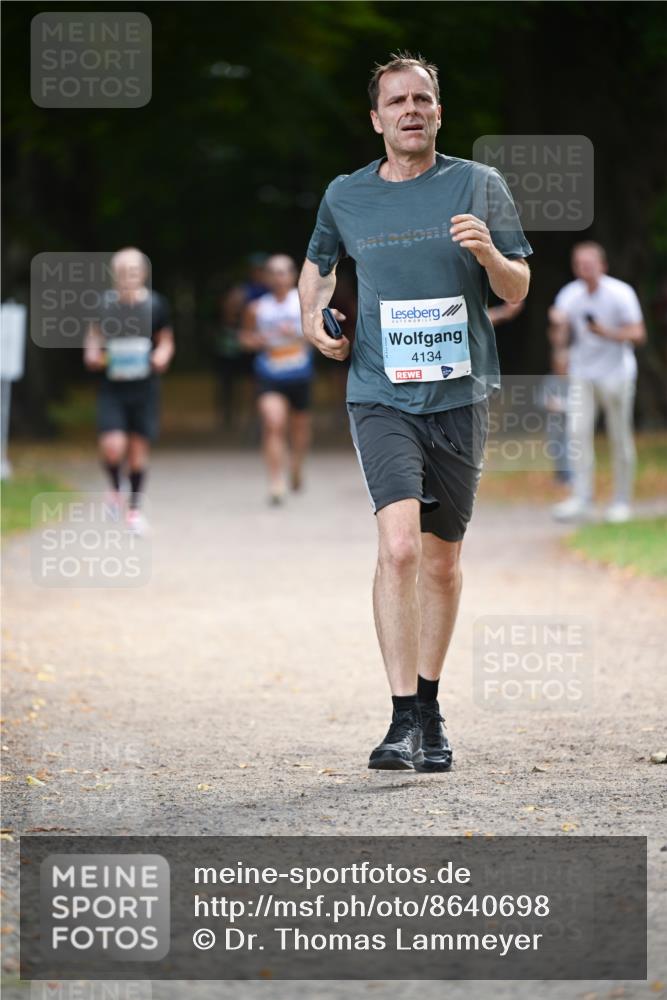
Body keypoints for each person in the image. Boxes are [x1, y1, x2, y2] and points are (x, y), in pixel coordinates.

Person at [298, 52, 532, 772]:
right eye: (396, 100)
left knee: (440, 561)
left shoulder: (476, 183)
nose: (410, 109)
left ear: (437, 112)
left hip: (458, 397)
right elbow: (317, 266)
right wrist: (312, 321)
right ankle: (401, 718)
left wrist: (490, 253)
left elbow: (517, 286)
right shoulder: (346, 195)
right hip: (379, 392)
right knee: (397, 547)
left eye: (422, 99)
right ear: (376, 119)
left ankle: (429, 706)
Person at [549, 242, 646, 523]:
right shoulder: (569, 295)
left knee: (619, 436)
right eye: (579, 263)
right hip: (583, 373)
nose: (584, 268)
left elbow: (638, 334)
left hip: (617, 374)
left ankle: (621, 501)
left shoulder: (620, 293)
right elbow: (560, 342)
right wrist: (557, 325)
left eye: (589, 263)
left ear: (602, 265)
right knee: (577, 434)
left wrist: (607, 332)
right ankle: (581, 498)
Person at [84, 247, 174, 533]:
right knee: (112, 447)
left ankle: (133, 511)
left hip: (144, 388)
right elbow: (93, 336)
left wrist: (162, 355)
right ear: (114, 275)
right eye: (122, 272)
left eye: (132, 272)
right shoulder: (104, 305)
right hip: (113, 388)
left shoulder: (155, 305)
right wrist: (92, 353)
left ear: (143, 274)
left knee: (137, 452)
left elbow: (166, 340)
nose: (127, 278)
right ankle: (115, 488)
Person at [240, 254, 313, 505]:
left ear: (293, 275)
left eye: (283, 272)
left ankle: (296, 466)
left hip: (299, 373)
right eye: (273, 272)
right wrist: (258, 340)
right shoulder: (257, 307)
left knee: (299, 427)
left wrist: (297, 334)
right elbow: (245, 337)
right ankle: (276, 481)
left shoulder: (304, 303)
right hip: (269, 374)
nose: (278, 277)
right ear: (266, 277)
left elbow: (317, 334)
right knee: (273, 423)